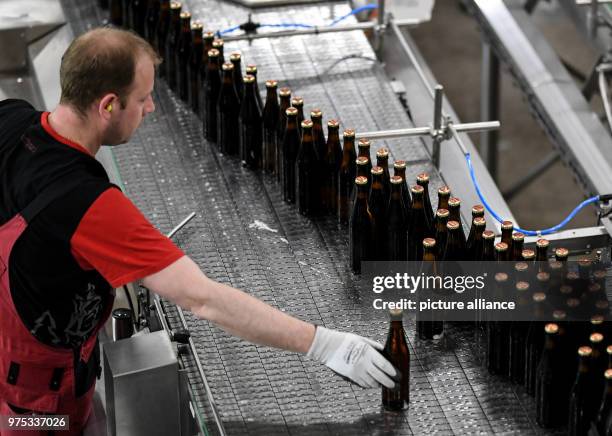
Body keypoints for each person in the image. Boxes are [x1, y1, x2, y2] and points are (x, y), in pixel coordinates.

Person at [0, 28, 397, 435]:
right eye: (142, 99)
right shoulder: (90, 206)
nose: (151, 107)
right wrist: (322, 343)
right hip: (40, 409)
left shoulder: (11, 118)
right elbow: (203, 298)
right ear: (108, 105)